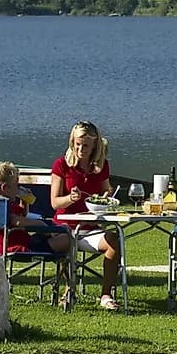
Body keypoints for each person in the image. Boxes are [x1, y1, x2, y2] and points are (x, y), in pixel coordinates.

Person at [49, 120, 123, 310]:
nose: (80, 149)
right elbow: (55, 202)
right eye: (77, 144)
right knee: (66, 241)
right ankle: (68, 289)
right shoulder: (61, 165)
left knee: (114, 240)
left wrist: (107, 196)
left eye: (86, 145)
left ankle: (106, 294)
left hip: (89, 228)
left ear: (94, 146)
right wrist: (71, 198)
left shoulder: (101, 166)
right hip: (65, 227)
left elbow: (107, 190)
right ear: (72, 142)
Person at [0, 160, 71, 280]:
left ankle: (64, 278)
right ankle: (68, 282)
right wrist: (41, 224)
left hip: (21, 243)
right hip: (21, 248)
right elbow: (17, 221)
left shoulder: (0, 203)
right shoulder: (4, 205)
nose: (18, 188)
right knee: (68, 239)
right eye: (16, 185)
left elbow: (21, 216)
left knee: (61, 233)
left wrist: (24, 201)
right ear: (5, 188)